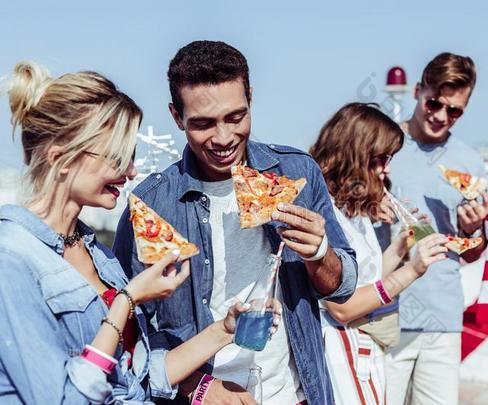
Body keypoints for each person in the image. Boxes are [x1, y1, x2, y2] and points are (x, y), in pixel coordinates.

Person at [0, 61, 280, 404]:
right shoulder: (10, 258)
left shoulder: (96, 254)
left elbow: (138, 377)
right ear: (62, 159)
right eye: (117, 158)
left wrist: (224, 331)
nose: (131, 171)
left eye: (131, 155)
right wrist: (127, 301)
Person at [113, 40, 358, 405]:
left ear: (251, 100)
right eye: (203, 124)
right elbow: (130, 326)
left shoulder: (296, 172)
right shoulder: (149, 206)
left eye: (235, 117)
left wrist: (319, 254)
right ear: (176, 117)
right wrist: (196, 386)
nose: (224, 138)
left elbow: (342, 287)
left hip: (296, 395)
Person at [309, 102, 449, 405]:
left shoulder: (353, 210)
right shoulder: (326, 212)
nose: (387, 168)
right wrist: (412, 271)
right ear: (354, 155)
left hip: (363, 345)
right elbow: (342, 307)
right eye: (381, 158)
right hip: (339, 345)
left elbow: (366, 279)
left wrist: (401, 245)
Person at [385, 52, 488, 405]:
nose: (441, 116)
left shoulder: (470, 161)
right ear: (417, 91)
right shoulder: (383, 145)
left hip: (442, 318)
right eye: (434, 103)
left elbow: (474, 252)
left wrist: (474, 232)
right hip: (385, 313)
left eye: (455, 111)